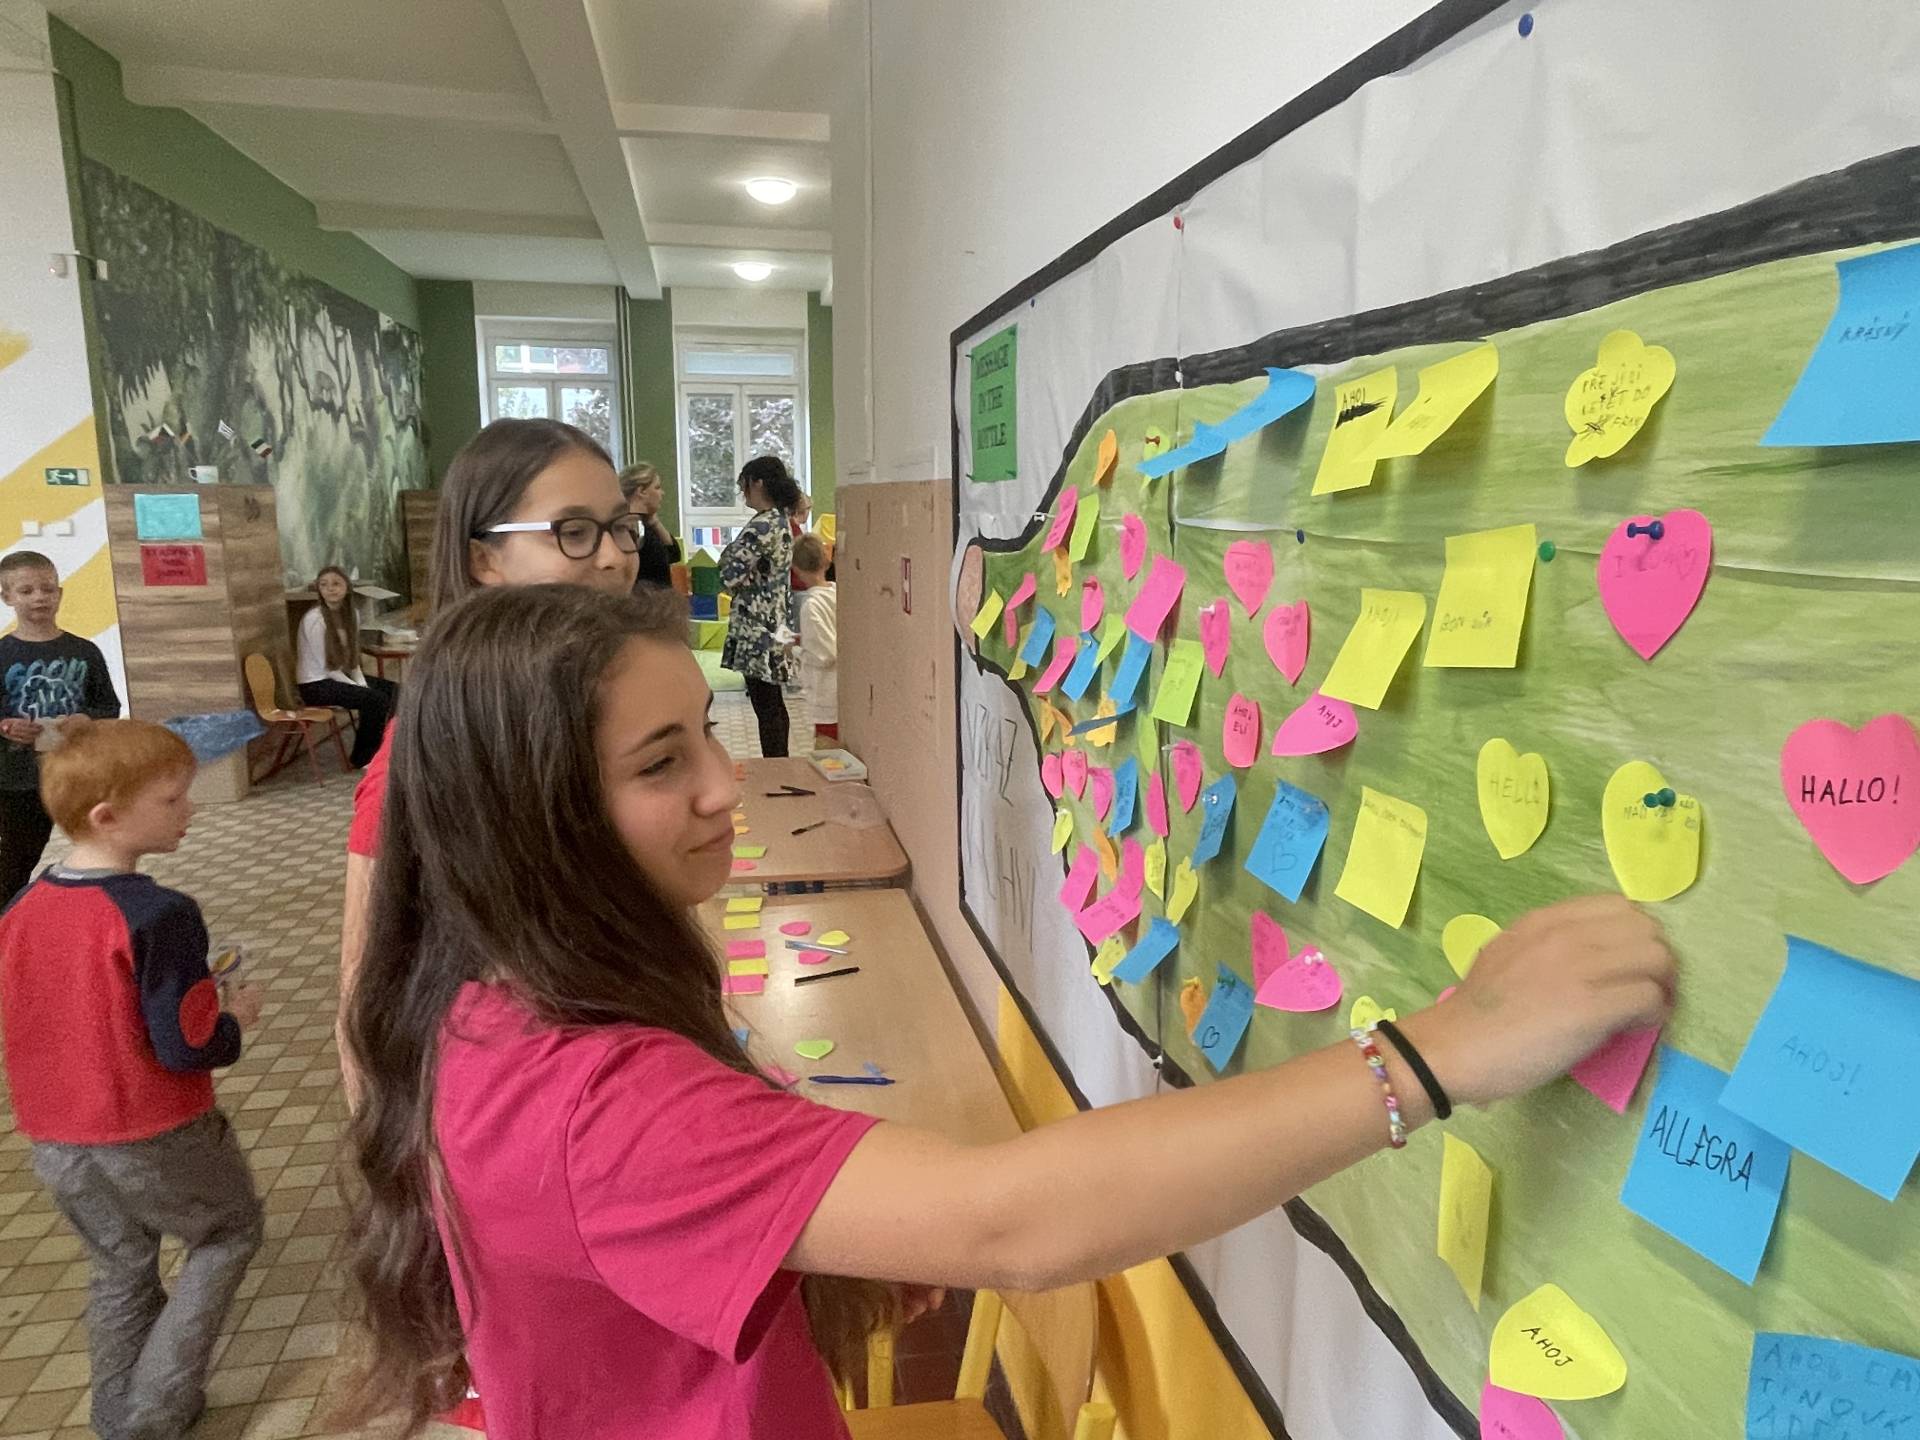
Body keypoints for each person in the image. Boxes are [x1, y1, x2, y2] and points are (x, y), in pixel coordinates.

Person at [341, 583, 1677, 1440]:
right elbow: (1012, 1224)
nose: (724, 785)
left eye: (706, 730)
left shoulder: (487, 1003)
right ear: (540, 819)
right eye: (660, 763)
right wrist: (1432, 1055)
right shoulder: (589, 1100)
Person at [340, 418, 643, 1068]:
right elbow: (367, 987)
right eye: (574, 532)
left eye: (622, 526)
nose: (615, 557)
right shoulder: (430, 748)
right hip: (513, 1083)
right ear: (485, 560)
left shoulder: (610, 702)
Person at [0, 719, 264, 1440]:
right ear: (107, 817)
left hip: (56, 1137)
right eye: (172, 800)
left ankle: (114, 1415)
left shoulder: (20, 908)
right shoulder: (160, 915)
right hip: (154, 1130)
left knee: (119, 1266)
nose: (190, 810)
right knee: (227, 1234)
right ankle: (151, 1416)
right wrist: (233, 1017)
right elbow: (187, 1046)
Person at [0, 550, 122, 899]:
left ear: (60, 593)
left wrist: (87, 719)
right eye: (26, 591)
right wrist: (6, 726)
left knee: (104, 844)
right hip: (18, 777)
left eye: (47, 589)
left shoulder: (85, 651)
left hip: (79, 770)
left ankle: (104, 906)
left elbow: (108, 706)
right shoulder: (3, 653)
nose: (39, 597)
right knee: (18, 855)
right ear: (7, 597)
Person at [720, 455, 802, 758]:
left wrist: (729, 562)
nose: (743, 493)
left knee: (765, 704)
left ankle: (776, 765)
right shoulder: (782, 520)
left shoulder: (762, 525)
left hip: (757, 627)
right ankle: (780, 761)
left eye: (744, 485)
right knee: (774, 702)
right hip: (777, 621)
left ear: (758, 483)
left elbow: (728, 573)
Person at [297, 566, 398, 770]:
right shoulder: (314, 619)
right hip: (316, 684)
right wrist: (358, 688)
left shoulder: (352, 615)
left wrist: (360, 683)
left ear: (347, 588)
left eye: (336, 584)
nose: (330, 589)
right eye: (324, 585)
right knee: (375, 700)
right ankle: (364, 757)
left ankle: (387, 747)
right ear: (319, 590)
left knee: (395, 691)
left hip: (339, 676)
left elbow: (352, 660)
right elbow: (328, 668)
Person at [791, 534, 838, 745]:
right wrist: (804, 639)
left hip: (826, 693)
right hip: (844, 690)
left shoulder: (811, 606)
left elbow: (825, 655)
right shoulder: (838, 593)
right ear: (826, 561)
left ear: (796, 569)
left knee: (827, 749)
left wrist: (793, 650)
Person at [619, 461, 681, 590]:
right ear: (641, 491)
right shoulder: (630, 526)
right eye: (657, 487)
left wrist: (653, 521)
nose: (662, 493)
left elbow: (673, 554)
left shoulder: (645, 523)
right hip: (643, 599)